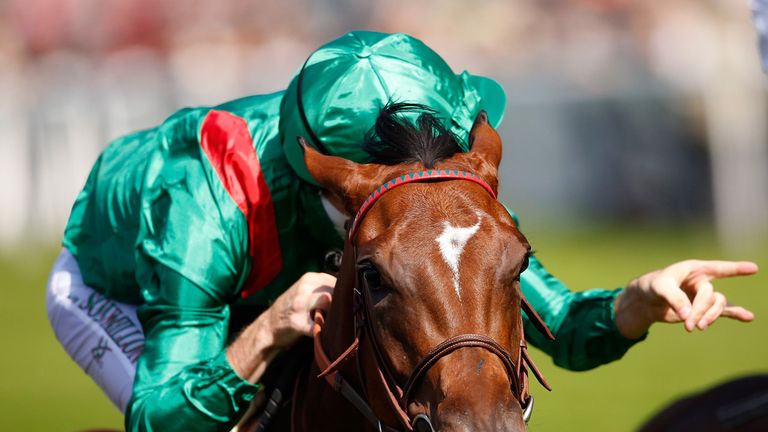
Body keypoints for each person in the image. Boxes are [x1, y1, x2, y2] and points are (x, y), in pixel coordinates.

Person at [45, 31, 758, 432]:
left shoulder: (438, 166)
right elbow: (162, 420)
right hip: (138, 294)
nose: (421, 185)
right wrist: (265, 332)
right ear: (332, 172)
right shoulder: (206, 198)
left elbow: (562, 326)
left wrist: (635, 300)